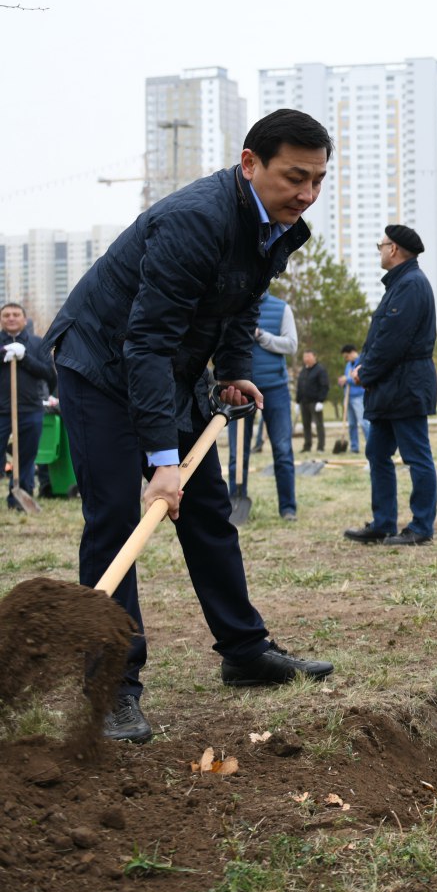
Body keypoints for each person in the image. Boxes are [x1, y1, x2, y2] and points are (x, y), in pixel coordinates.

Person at [47, 108, 337, 744]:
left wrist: (231, 369)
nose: (307, 194)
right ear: (249, 163)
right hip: (100, 364)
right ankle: (113, 687)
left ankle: (245, 650)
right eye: (294, 177)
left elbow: (240, 300)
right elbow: (143, 342)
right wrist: (161, 459)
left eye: (317, 180)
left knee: (207, 508)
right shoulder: (195, 221)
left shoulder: (277, 225)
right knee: (117, 517)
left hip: (167, 368)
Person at [343, 224, 437, 547]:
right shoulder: (400, 284)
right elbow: (382, 335)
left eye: (381, 245)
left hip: (406, 384)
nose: (380, 250)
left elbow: (392, 341)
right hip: (390, 386)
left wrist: (363, 371)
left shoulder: (411, 284)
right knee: (378, 452)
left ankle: (421, 526)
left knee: (415, 455)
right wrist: (366, 367)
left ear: (393, 249)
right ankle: (383, 523)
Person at [1, 303, 56, 508]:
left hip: (30, 409)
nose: (11, 318)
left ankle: (19, 498)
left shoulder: (37, 344)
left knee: (27, 455)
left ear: (24, 320)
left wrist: (25, 359)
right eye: (6, 315)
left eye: (16, 314)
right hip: (1, 410)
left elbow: (49, 374)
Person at [249, 292, 298, 519]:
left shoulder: (281, 308)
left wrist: (262, 336)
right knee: (236, 454)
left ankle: (287, 508)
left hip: (275, 388)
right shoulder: (234, 304)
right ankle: (233, 504)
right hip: (241, 389)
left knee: (283, 450)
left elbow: (291, 345)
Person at [295, 348, 330, 452]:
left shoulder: (320, 370)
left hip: (315, 402)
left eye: (309, 356)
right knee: (306, 425)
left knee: (319, 425)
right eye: (305, 356)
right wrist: (297, 401)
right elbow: (299, 386)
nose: (306, 358)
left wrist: (321, 400)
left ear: (314, 357)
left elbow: (325, 386)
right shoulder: (303, 371)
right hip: (304, 402)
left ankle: (320, 447)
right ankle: (307, 446)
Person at [338, 344, 369, 452]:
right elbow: (348, 378)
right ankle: (354, 447)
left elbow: (360, 378)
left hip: (359, 397)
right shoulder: (348, 365)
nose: (346, 359)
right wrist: (343, 381)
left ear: (352, 353)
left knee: (364, 422)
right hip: (349, 397)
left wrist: (347, 380)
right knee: (352, 424)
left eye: (346, 356)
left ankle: (370, 444)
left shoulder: (361, 362)